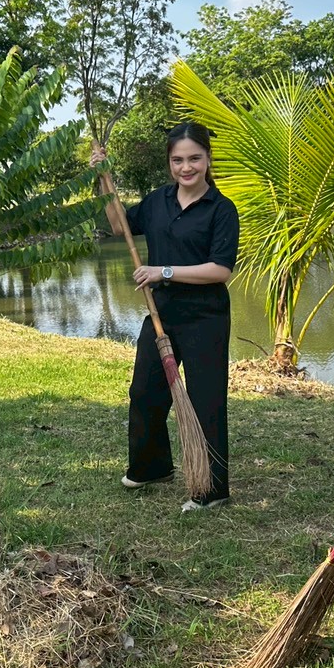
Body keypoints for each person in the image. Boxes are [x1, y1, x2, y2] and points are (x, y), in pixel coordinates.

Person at [94, 123, 239, 512]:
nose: (186, 167)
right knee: (145, 392)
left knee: (206, 399)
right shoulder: (158, 201)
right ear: (169, 163)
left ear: (208, 159)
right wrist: (103, 182)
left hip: (205, 317)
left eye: (194, 158)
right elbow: (118, 225)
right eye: (178, 160)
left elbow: (220, 270)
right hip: (162, 313)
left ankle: (211, 489)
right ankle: (151, 467)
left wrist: (164, 271)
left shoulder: (221, 210)